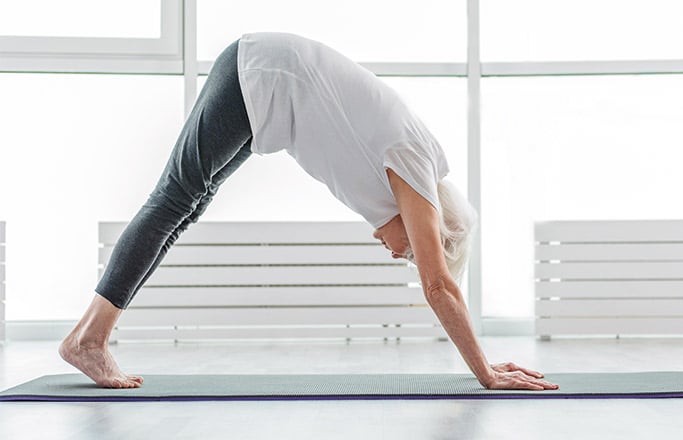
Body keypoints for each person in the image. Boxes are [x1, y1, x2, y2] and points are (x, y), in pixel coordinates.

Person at [58, 33, 558, 392]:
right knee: (172, 199)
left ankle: (89, 335)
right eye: (409, 253)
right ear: (433, 228)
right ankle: (89, 338)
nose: (396, 254)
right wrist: (486, 372)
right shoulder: (414, 166)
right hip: (261, 74)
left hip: (264, 91)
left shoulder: (406, 168)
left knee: (184, 207)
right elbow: (438, 286)